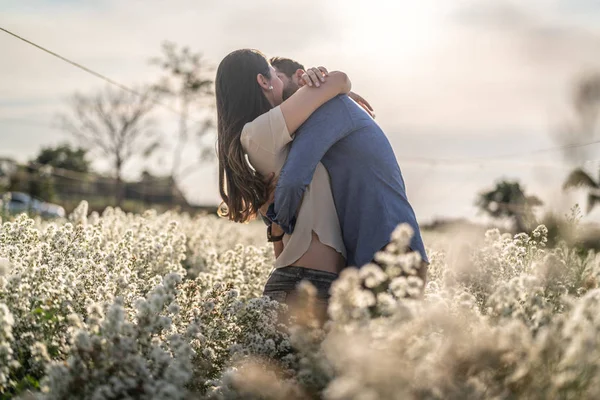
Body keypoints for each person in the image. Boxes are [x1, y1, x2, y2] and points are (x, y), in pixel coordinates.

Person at [216, 49, 355, 322]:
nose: (279, 78)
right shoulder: (263, 129)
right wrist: (320, 83)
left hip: (300, 280)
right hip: (308, 284)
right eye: (273, 72)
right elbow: (340, 80)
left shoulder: (267, 132)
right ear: (263, 81)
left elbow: (281, 249)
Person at [265, 57, 429, 284]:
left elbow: (293, 180)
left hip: (391, 247)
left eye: (278, 78)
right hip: (370, 252)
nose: (274, 88)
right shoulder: (313, 115)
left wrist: (277, 229)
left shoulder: (328, 107)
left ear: (301, 76)